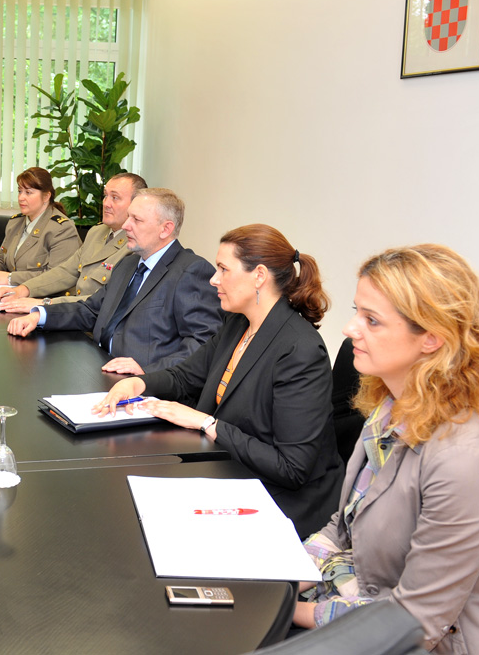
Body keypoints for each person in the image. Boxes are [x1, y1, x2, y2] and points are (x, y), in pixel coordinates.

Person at [292, 245, 479, 654]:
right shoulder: (390, 408)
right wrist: (284, 575)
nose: (349, 328)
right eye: (358, 312)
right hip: (354, 598)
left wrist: (289, 610)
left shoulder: (467, 462)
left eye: (372, 320)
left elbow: (414, 622)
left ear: (431, 338)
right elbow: (343, 528)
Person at [93, 224, 342, 536]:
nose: (213, 279)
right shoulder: (238, 323)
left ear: (259, 276)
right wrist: (138, 384)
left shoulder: (300, 350)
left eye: (223, 269)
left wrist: (207, 423)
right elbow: (186, 376)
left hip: (283, 501)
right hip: (231, 469)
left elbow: (291, 468)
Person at [7, 188, 221, 374]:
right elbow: (91, 310)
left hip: (144, 385)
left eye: (136, 220)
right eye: (128, 217)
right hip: (99, 366)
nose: (126, 225)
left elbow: (204, 343)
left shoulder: (191, 271)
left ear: (165, 229)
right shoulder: (128, 264)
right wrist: (40, 315)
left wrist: (148, 370)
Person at [0, 172, 146, 311]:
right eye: (105, 196)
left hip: (92, 321)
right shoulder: (97, 232)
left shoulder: (136, 246)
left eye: (115, 197)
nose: (106, 203)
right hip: (74, 312)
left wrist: (44, 304)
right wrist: (23, 290)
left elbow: (103, 301)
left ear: (136, 204)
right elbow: (66, 271)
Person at [0, 166, 80, 286]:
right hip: (13, 291)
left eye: (28, 192)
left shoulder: (61, 229)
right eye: (20, 191)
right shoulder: (15, 222)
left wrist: (11, 278)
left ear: (46, 196)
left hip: (46, 295)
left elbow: (57, 276)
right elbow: (1, 258)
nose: (21, 198)